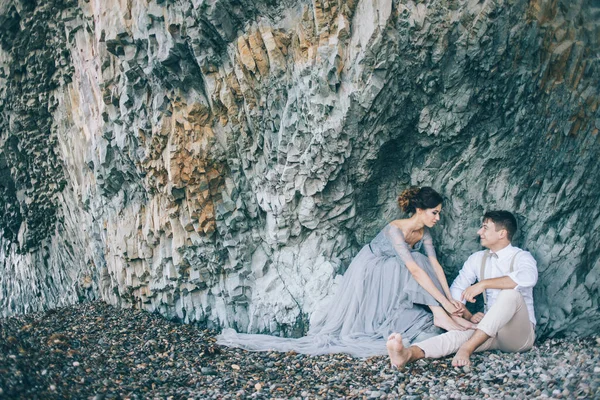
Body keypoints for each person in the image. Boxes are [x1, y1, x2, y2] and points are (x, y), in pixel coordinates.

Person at [217, 187, 475, 357]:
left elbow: (435, 264)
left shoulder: (424, 232)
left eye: (439, 214)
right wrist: (442, 300)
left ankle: (444, 315)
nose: (438, 218)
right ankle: (441, 316)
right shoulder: (396, 229)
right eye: (435, 213)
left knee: (422, 257)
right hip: (373, 268)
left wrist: (449, 299)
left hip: (400, 270)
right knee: (414, 260)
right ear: (420, 210)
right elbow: (414, 269)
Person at [387, 210, 538, 368]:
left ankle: (467, 348)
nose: (480, 232)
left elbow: (529, 278)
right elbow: (457, 290)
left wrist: (483, 284)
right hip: (488, 331)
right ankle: (408, 354)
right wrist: (468, 315)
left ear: (502, 233)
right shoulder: (477, 259)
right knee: (454, 337)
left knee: (510, 295)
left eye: (485, 228)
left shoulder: (522, 257)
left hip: (518, 336)